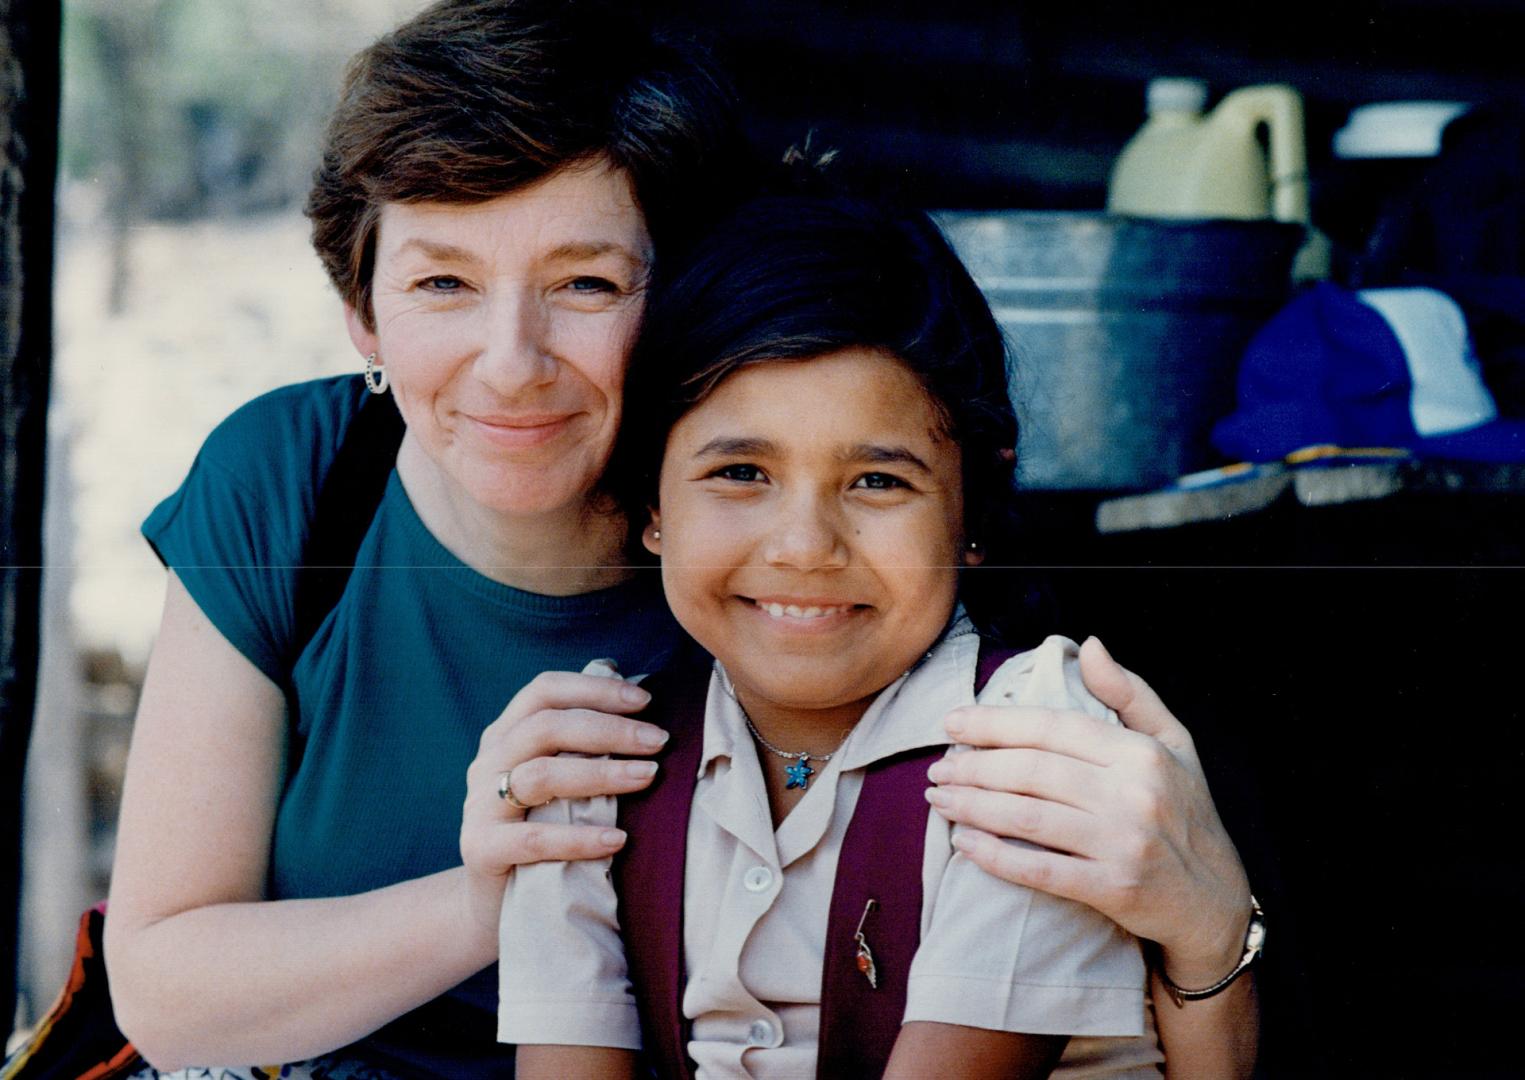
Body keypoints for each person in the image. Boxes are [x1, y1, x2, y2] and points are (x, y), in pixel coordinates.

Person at [100, 1, 1257, 1076]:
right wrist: (488, 896)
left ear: (694, 291)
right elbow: (161, 985)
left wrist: (1211, 928)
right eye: (442, 283)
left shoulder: (775, 589)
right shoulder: (297, 480)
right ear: (362, 310)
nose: (511, 362)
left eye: (588, 283)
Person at [501, 192, 1167, 1079]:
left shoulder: (1032, 746)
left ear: (971, 508)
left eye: (877, 483)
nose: (805, 547)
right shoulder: (595, 764)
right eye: (740, 473)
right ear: (653, 504)